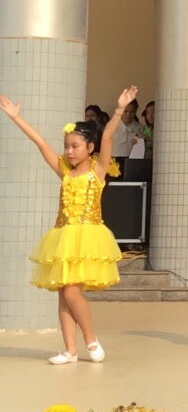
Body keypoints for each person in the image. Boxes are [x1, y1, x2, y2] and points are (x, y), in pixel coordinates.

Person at [2, 86, 136, 364]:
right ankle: (70, 350)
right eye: (66, 146)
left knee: (73, 293)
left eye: (75, 146)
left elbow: (108, 136)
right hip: (63, 238)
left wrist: (119, 109)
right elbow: (41, 143)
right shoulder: (64, 171)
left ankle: (91, 340)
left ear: (90, 148)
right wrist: (16, 118)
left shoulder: (98, 171)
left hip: (87, 239)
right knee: (63, 295)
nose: (69, 151)